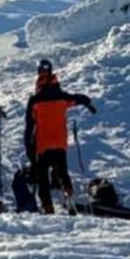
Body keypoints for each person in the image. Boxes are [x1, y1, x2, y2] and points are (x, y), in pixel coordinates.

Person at [23, 59, 95, 214]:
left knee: (43, 177)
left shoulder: (35, 100)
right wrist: (88, 102)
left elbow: (29, 126)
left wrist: (29, 147)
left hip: (43, 145)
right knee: (62, 172)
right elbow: (77, 98)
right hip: (59, 142)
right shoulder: (61, 96)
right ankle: (69, 198)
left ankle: (48, 207)